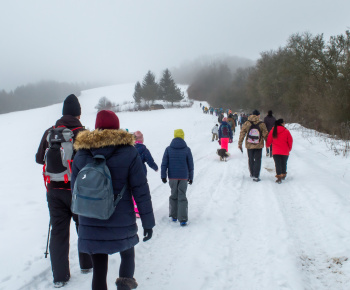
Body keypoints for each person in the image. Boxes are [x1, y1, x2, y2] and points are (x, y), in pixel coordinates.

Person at [71, 110, 155, 290]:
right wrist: (148, 222)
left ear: (96, 127)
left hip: (91, 220)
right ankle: (124, 285)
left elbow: (75, 191)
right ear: (116, 126)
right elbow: (141, 190)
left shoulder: (81, 153)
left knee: (99, 269)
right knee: (127, 255)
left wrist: (80, 219)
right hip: (121, 221)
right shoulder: (129, 152)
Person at [35, 94, 92, 288]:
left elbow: (38, 158)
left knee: (59, 232)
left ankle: (59, 277)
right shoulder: (82, 132)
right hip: (77, 189)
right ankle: (87, 265)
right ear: (78, 113)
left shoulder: (50, 132)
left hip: (54, 191)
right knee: (82, 225)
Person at [161, 129, 194, 226]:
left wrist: (163, 176)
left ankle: (174, 215)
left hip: (172, 177)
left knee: (173, 195)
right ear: (183, 136)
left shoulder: (168, 149)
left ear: (174, 136)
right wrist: (191, 177)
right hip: (184, 177)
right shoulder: (187, 149)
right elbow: (190, 165)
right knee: (182, 196)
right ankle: (183, 219)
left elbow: (164, 164)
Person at [133, 130, 158, 217]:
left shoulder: (130, 148)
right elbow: (149, 160)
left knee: (132, 191)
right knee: (140, 191)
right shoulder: (144, 149)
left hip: (131, 173)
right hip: (141, 173)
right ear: (141, 139)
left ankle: (134, 208)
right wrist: (155, 167)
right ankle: (139, 210)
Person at [238, 109, 268, 182]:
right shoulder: (261, 124)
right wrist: (268, 143)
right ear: (258, 115)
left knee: (250, 159)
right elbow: (265, 134)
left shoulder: (247, 123)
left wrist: (240, 143)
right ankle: (256, 175)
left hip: (249, 144)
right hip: (258, 145)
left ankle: (252, 173)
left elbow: (242, 133)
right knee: (258, 160)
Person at [266, 119, 293, 183]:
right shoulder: (286, 131)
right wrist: (289, 148)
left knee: (277, 164)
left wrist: (267, 145)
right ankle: (283, 174)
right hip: (285, 151)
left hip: (276, 151)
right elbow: (290, 141)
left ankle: (279, 177)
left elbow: (269, 140)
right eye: (284, 123)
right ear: (281, 124)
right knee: (284, 163)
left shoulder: (273, 131)